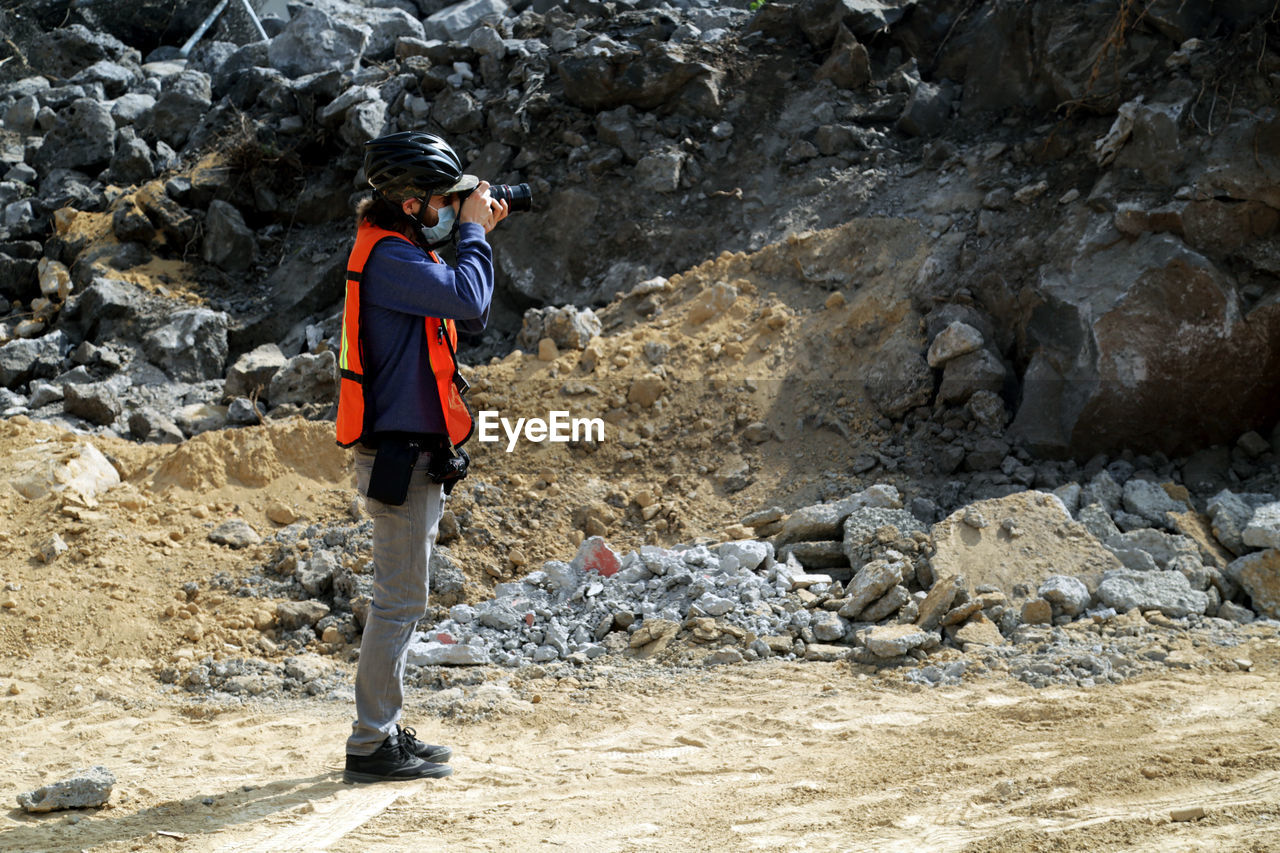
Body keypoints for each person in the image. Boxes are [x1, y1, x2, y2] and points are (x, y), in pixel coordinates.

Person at [335, 131, 508, 784]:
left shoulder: (397, 247)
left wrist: (471, 231)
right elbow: (470, 302)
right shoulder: (391, 260)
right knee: (399, 603)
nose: (448, 208)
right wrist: (474, 235)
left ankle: (382, 729)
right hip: (400, 459)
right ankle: (371, 742)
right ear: (412, 203)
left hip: (408, 454)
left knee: (400, 599)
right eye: (441, 199)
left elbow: (459, 303)